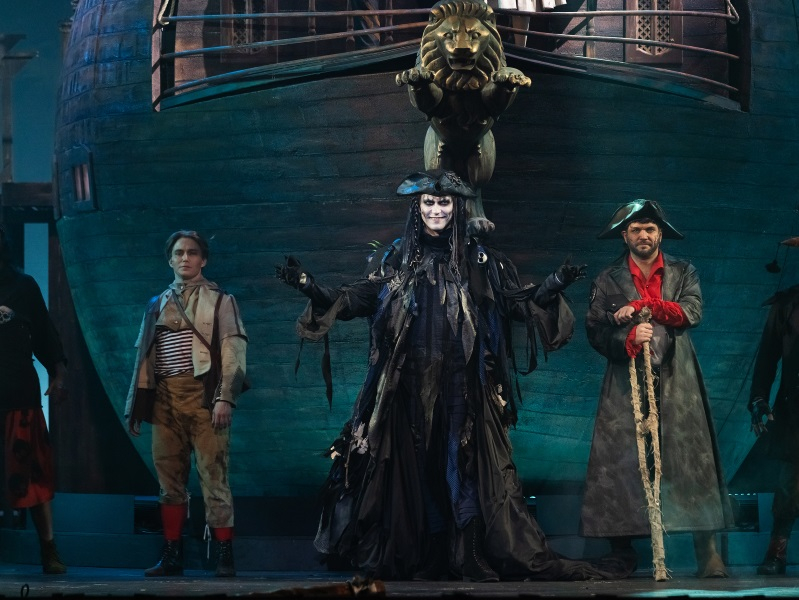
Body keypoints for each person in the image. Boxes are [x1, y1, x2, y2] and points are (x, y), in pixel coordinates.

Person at [277, 170, 632, 582]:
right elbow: (354, 299)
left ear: (456, 206)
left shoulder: (481, 261)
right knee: (414, 469)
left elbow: (516, 304)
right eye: (428, 203)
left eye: (443, 202)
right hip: (405, 387)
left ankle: (472, 554)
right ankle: (427, 554)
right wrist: (308, 285)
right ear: (417, 208)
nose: (436, 210)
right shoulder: (395, 259)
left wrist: (553, 283)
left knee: (465, 467)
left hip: (463, 385)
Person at [581, 199, 734, 578]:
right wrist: (627, 337)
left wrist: (643, 305)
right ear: (625, 236)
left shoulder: (683, 272)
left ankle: (706, 550)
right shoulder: (607, 278)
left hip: (677, 379)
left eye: (650, 228)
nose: (643, 235)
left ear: (660, 234)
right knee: (621, 461)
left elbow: (692, 311)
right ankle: (622, 551)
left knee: (690, 458)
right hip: (626, 383)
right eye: (635, 229)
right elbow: (595, 331)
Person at [125, 230, 248, 578]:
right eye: (178, 252)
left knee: (214, 477)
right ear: (170, 259)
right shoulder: (156, 304)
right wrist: (135, 407)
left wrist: (225, 398)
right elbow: (142, 359)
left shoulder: (222, 300)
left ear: (203, 259)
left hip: (203, 398)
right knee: (169, 483)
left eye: (192, 252)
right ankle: (172, 556)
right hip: (165, 400)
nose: (185, 258)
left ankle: (224, 556)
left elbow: (234, 352)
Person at [0, 224, 68, 575]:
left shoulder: (22, 286)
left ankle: (49, 548)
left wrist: (58, 371)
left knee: (34, 475)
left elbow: (43, 331)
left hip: (18, 396)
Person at [748, 275, 799, 575]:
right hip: (796, 408)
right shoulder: (788, 304)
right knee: (790, 484)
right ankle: (776, 553)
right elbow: (768, 355)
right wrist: (759, 397)